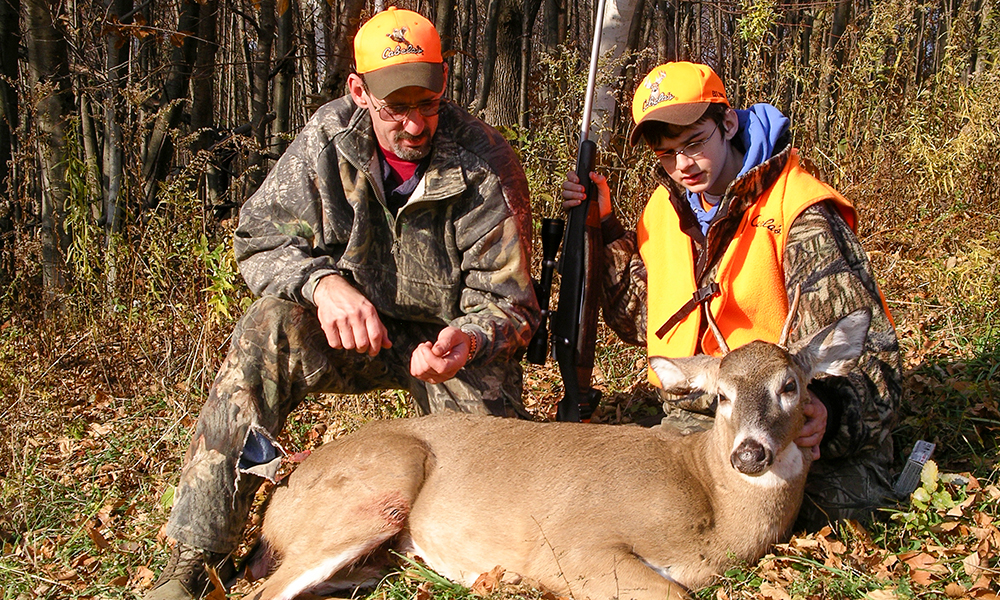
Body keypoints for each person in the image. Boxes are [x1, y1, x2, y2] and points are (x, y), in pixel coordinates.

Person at [146, 8, 539, 600]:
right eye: (394, 108)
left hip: (446, 348)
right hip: (353, 333)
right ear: (359, 91)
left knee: (498, 503)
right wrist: (322, 284)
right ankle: (197, 557)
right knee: (268, 327)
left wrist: (472, 339)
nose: (413, 125)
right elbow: (258, 237)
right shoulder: (327, 139)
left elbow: (511, 305)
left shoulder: (485, 161)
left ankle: (417, 557)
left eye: (426, 104)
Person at [562, 61, 901, 530]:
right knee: (655, 514)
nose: (682, 165)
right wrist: (608, 230)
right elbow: (647, 319)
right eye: (666, 154)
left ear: (728, 122)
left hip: (787, 419)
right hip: (703, 419)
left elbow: (871, 358)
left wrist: (834, 412)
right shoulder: (665, 209)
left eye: (694, 143)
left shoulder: (799, 213)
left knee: (834, 512)